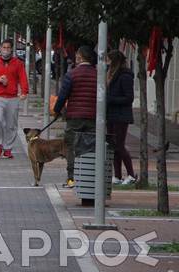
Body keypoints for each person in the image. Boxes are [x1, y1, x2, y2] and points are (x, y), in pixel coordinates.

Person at [52, 45, 97, 188]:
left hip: (74, 117)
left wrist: (57, 110)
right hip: (93, 116)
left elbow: (63, 96)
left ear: (79, 57)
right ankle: (89, 179)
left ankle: (72, 179)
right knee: (91, 147)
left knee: (71, 147)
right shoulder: (98, 74)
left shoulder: (72, 74)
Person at [0, 39, 29, 158]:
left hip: (12, 97)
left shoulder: (17, 63)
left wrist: (24, 91)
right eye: (4, 47)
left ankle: (8, 148)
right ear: (0, 49)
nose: (6, 50)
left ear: (12, 49)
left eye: (8, 47)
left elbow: (23, 78)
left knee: (11, 125)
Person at [106, 50, 136, 185]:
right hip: (111, 115)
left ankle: (131, 174)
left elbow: (129, 98)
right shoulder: (113, 76)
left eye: (108, 60)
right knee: (113, 146)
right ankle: (117, 176)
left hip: (121, 115)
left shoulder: (124, 77)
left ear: (114, 62)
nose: (107, 63)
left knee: (120, 145)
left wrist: (110, 99)